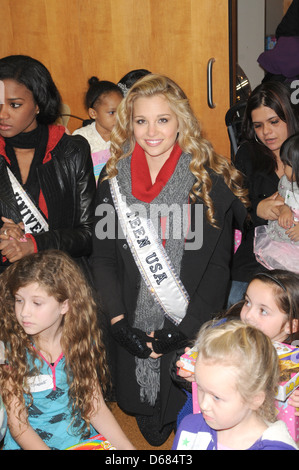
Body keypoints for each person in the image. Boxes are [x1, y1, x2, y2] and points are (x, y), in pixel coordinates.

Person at [90, 73, 248, 445]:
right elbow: (104, 259)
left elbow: (216, 268)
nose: (151, 132)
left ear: (181, 121)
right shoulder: (112, 179)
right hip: (130, 315)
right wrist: (116, 321)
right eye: (141, 120)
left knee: (187, 409)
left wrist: (187, 327)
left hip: (188, 318)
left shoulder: (208, 181)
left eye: (163, 119)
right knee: (145, 417)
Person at [0, 250, 135, 450]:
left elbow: (95, 408)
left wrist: (128, 449)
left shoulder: (79, 344)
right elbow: (19, 426)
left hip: (77, 439)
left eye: (37, 302)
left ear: (65, 305)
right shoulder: (10, 353)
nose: (24, 312)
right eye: (19, 300)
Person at [0, 55, 96, 281]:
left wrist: (35, 244)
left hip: (61, 282)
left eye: (15, 105)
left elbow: (89, 234)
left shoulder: (71, 151)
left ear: (38, 105)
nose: (3, 114)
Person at [174, 269, 299, 424]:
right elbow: (182, 371)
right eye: (247, 302)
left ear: (290, 325)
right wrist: (195, 376)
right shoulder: (224, 335)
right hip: (211, 419)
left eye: (263, 311)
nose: (248, 315)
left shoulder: (295, 361)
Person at [172, 320, 298, 450]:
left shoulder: (275, 447)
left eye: (216, 397)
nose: (203, 405)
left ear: (255, 399)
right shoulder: (190, 428)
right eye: (200, 388)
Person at [228, 80, 299, 305]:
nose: (266, 132)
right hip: (257, 256)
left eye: (274, 122)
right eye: (258, 125)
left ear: (290, 116)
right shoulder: (248, 153)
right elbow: (231, 211)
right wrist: (257, 209)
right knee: (235, 305)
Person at [254, 133, 299, 272]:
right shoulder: (286, 181)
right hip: (283, 242)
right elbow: (281, 197)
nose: (284, 169)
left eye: (288, 165)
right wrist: (284, 209)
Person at [73, 77, 123, 183]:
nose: (119, 117)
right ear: (93, 113)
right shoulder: (81, 137)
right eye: (112, 112)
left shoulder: (126, 136)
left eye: (121, 111)